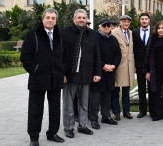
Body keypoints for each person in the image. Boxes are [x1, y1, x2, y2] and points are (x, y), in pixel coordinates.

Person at [21, 8, 66, 146]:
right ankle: (34, 137)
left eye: (53, 18)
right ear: (43, 19)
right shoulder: (32, 35)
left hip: (56, 78)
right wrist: (35, 70)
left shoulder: (60, 36)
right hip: (38, 79)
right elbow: (25, 57)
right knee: (35, 109)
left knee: (55, 109)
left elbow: (65, 56)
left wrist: (63, 72)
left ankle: (52, 133)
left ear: (56, 20)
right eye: (48, 17)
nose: (50, 20)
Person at [62, 9, 101, 138]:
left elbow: (97, 55)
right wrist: (62, 73)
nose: (81, 20)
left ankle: (83, 126)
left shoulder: (92, 34)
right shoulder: (65, 33)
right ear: (74, 19)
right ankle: (68, 127)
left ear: (86, 20)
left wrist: (97, 72)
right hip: (70, 74)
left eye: (84, 18)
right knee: (68, 104)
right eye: (79, 18)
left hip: (87, 74)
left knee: (84, 103)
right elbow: (60, 55)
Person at [89, 18, 121, 130]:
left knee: (107, 97)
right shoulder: (94, 38)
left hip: (110, 72)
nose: (107, 27)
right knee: (95, 98)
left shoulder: (113, 39)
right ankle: (93, 119)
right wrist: (103, 66)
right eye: (104, 25)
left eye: (109, 25)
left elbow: (118, 55)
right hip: (97, 72)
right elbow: (91, 55)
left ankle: (106, 116)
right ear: (99, 26)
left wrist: (113, 66)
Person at [145, 21, 163, 121]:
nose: (161, 30)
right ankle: (156, 114)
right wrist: (148, 71)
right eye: (159, 28)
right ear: (156, 29)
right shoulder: (152, 38)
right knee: (155, 92)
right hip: (155, 70)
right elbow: (148, 55)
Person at [112, 15, 135, 120]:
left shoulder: (130, 33)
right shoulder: (114, 32)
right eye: (124, 21)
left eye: (128, 22)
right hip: (118, 65)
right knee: (116, 90)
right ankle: (116, 111)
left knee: (126, 90)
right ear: (120, 22)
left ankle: (127, 111)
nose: (126, 23)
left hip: (129, 65)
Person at [132, 13, 152, 118]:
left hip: (151, 64)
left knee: (152, 88)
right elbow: (133, 49)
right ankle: (142, 110)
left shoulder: (154, 30)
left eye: (146, 19)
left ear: (149, 20)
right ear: (140, 21)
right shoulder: (134, 32)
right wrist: (135, 65)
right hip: (139, 65)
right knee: (141, 88)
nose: (144, 21)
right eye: (142, 19)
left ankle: (152, 110)